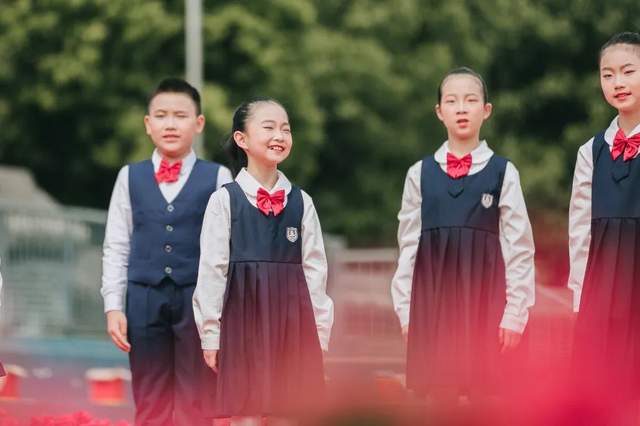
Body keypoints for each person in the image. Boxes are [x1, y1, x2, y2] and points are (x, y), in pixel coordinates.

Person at [391, 67, 535, 400]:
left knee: (489, 403)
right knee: (438, 403)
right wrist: (407, 312)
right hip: (433, 307)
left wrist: (515, 314)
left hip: (488, 305)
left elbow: (519, 248)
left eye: (470, 100)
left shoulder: (503, 172)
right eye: (451, 101)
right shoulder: (419, 174)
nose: (461, 108)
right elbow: (408, 247)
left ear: (486, 110)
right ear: (439, 112)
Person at [100, 77, 232, 425]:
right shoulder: (129, 177)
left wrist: (220, 312)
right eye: (161, 115)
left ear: (199, 123)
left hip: (198, 301)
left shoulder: (219, 177)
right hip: (143, 299)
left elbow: (227, 250)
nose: (170, 124)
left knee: (198, 400)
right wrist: (113, 305)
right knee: (149, 401)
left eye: (180, 115)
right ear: (148, 124)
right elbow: (116, 244)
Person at [193, 97, 334, 424]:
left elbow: (316, 273)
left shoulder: (302, 202)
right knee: (246, 416)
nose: (280, 136)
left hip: (294, 326)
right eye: (268, 127)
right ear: (241, 139)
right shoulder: (224, 201)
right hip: (242, 326)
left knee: (289, 414)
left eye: (286, 129)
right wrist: (211, 335)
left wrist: (320, 334)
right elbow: (213, 272)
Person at [569, 31, 640, 402]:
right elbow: (579, 232)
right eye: (607, 74)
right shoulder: (590, 152)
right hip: (601, 291)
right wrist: (581, 302)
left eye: (627, 71)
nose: (617, 82)